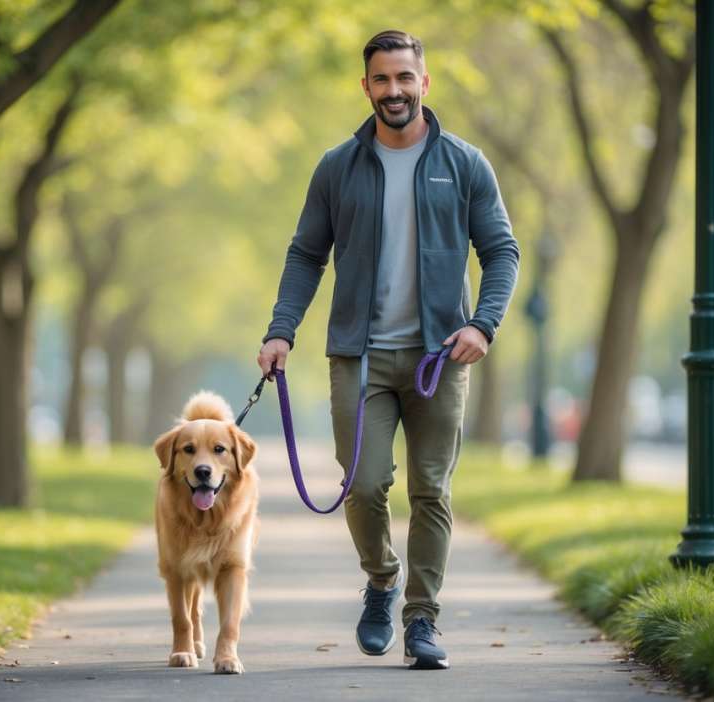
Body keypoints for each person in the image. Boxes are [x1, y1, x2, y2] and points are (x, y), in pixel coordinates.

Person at [257, 29, 520, 670]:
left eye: (405, 78)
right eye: (382, 79)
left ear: (424, 83)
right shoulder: (337, 167)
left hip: (440, 359)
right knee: (362, 483)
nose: (394, 90)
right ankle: (381, 578)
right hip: (361, 356)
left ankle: (422, 621)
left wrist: (482, 325)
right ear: (366, 85)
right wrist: (280, 329)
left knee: (431, 491)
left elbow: (501, 252)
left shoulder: (464, 163)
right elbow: (305, 254)